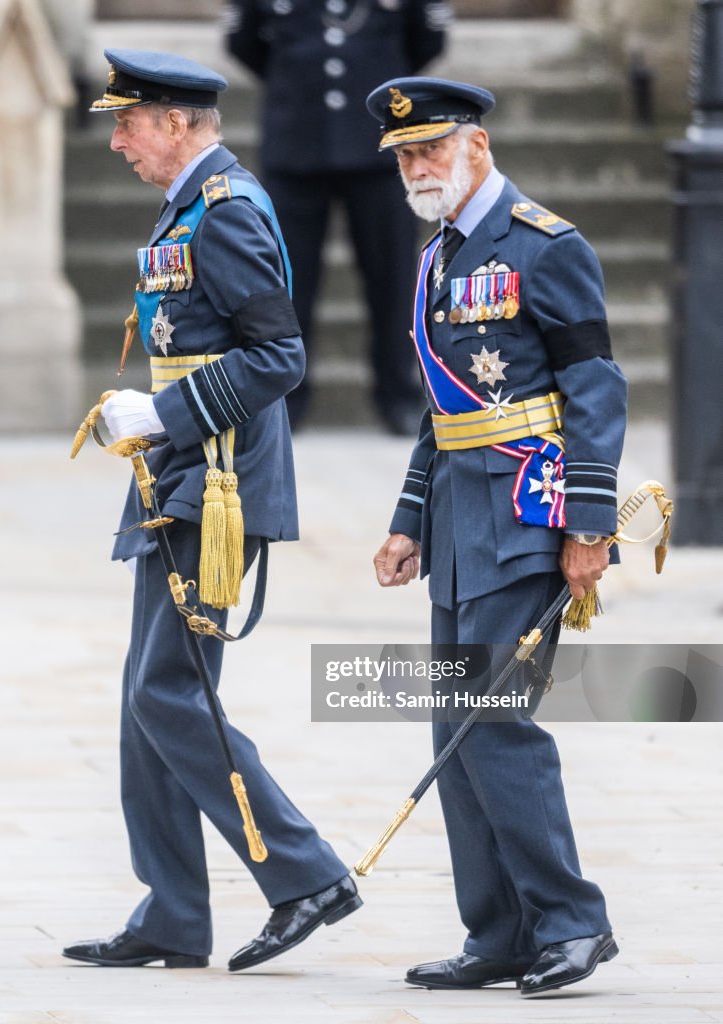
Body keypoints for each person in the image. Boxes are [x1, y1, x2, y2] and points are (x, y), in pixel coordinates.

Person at [63, 48, 361, 974]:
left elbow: (279, 355)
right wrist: (155, 417)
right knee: (145, 698)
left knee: (168, 691)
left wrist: (166, 411)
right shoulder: (191, 201)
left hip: (216, 482)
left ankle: (305, 873)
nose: (117, 142)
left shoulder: (226, 209)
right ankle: (173, 912)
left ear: (181, 124)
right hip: (177, 474)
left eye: (130, 124)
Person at [367, 77, 627, 996]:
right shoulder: (440, 252)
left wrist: (589, 524)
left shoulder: (545, 246)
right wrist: (408, 520)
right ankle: (501, 931)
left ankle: (571, 922)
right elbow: (445, 411)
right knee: (454, 722)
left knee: (496, 722)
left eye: (430, 149)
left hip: (527, 514)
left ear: (475, 145)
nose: (416, 168)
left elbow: (596, 386)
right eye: (404, 156)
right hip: (456, 527)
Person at [224, 0, 451, 434]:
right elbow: (243, 41)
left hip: (379, 144)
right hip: (295, 141)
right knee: (286, 283)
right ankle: (284, 400)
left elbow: (427, 38)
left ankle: (399, 395)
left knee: (393, 279)